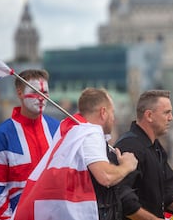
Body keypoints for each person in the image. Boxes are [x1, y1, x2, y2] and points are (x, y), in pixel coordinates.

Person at [12, 88, 138, 220]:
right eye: (113, 113)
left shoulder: (71, 130)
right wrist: (127, 165)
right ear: (103, 112)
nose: (114, 119)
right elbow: (105, 176)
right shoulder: (90, 132)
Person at [114, 90, 173, 220]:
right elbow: (123, 198)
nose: (171, 118)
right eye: (166, 112)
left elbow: (167, 190)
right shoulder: (130, 147)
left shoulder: (157, 148)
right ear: (149, 116)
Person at [0, 69, 60, 219]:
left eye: (45, 92)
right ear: (20, 93)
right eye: (36, 92)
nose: (42, 98)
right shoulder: (2, 135)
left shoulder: (57, 129)